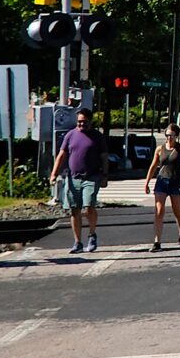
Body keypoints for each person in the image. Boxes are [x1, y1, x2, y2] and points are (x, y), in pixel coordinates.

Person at [49, 108, 110, 254]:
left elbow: (104, 157)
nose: (81, 124)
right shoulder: (70, 135)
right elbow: (61, 155)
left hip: (92, 177)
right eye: (79, 122)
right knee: (74, 210)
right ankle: (77, 242)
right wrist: (54, 174)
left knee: (89, 207)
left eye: (84, 122)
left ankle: (92, 234)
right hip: (73, 178)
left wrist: (105, 176)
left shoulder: (97, 136)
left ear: (90, 121)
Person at [143, 118, 180, 251]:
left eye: (172, 135)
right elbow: (153, 166)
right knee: (159, 211)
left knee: (177, 211)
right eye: (167, 135)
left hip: (176, 182)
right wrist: (147, 183)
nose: (169, 138)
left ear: (176, 136)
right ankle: (157, 242)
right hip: (162, 182)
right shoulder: (160, 149)